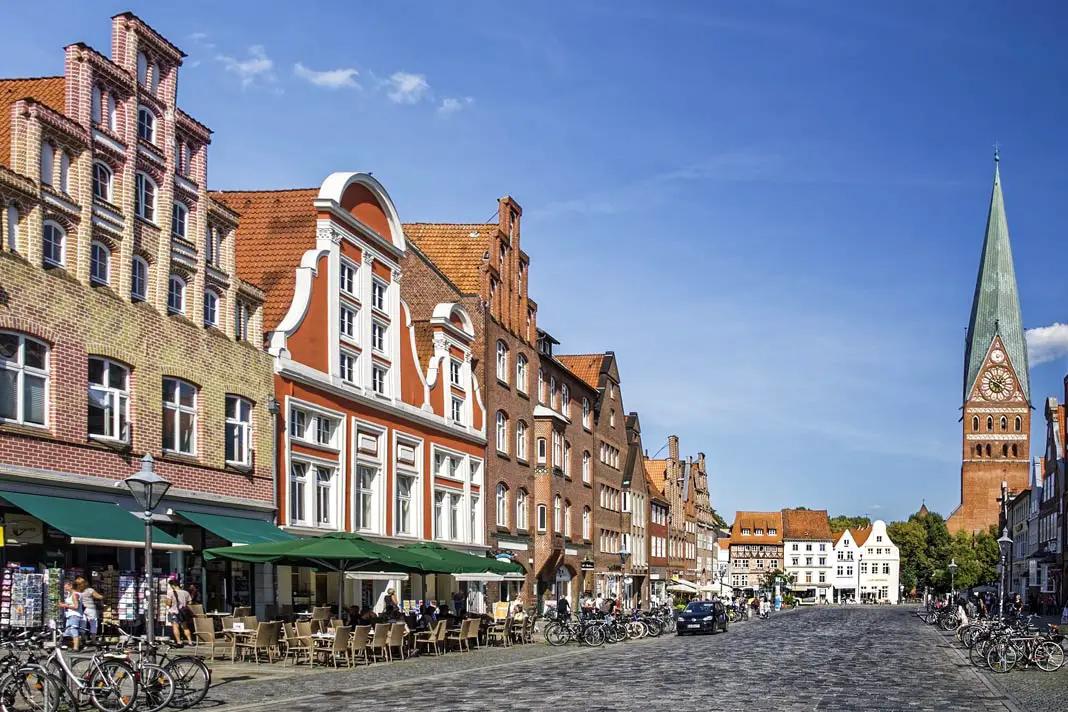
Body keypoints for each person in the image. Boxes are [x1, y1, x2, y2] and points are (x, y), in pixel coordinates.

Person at [164, 577, 194, 646]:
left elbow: (169, 603)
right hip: (183, 612)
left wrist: (165, 601)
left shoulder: (170, 593)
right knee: (185, 627)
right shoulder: (186, 592)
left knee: (175, 627)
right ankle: (190, 641)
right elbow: (190, 602)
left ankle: (179, 642)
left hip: (174, 612)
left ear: (173, 585)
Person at [74, 576, 103, 642]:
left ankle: (83, 638)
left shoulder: (76, 591)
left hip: (81, 609)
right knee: (93, 623)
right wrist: (104, 596)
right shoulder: (90, 590)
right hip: (90, 608)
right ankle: (93, 639)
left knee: (83, 623)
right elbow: (99, 597)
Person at [58, 580, 83, 651]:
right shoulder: (71, 594)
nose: (65, 588)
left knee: (73, 630)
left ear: (71, 586)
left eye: (66, 586)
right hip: (70, 615)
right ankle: (69, 645)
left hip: (74, 615)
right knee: (67, 631)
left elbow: (76, 606)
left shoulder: (75, 594)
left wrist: (64, 605)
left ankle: (76, 647)